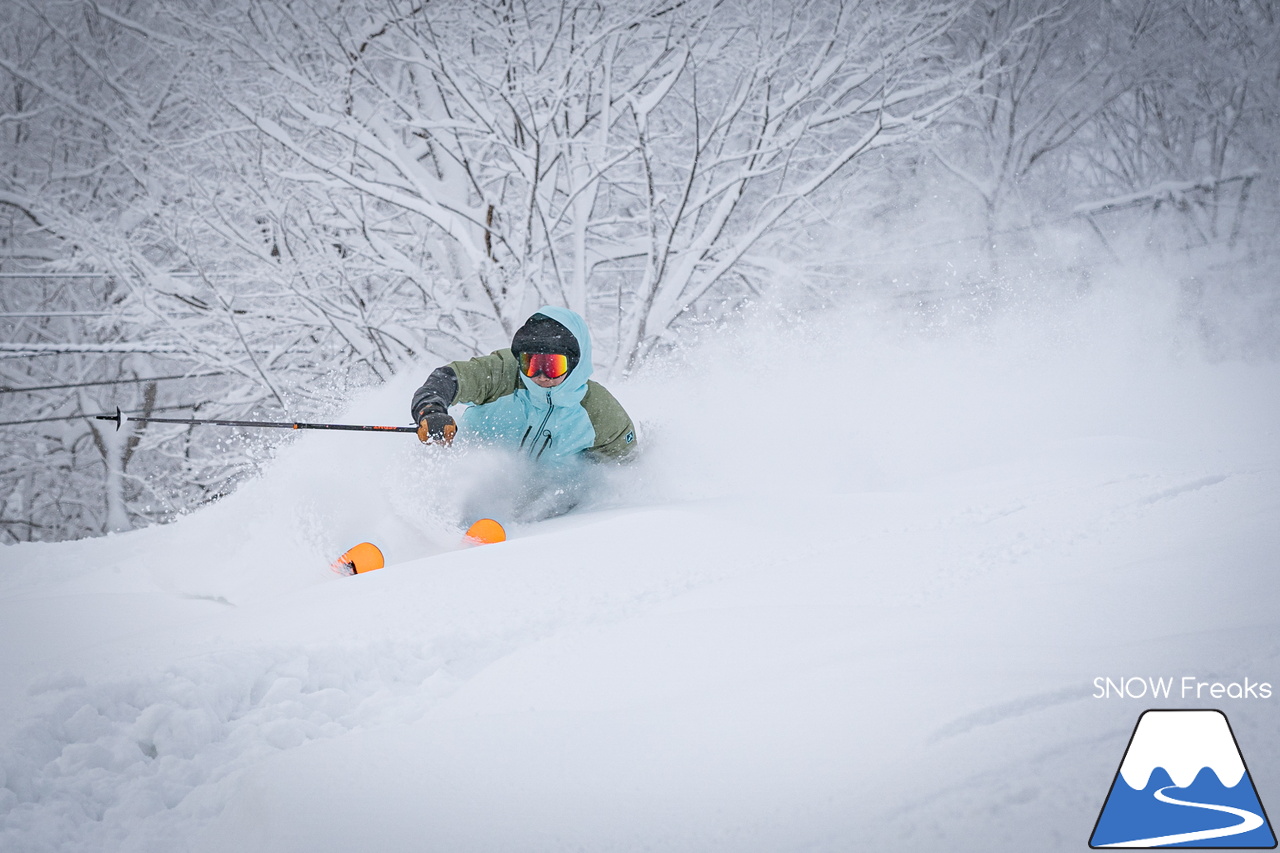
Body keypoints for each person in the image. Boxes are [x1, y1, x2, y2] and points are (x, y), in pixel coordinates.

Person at [410, 306, 637, 464]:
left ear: (575, 363)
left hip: (548, 519)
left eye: (553, 365)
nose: (540, 376)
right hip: (465, 486)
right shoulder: (503, 373)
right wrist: (430, 411)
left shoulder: (599, 412)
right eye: (531, 363)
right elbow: (447, 380)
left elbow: (622, 474)